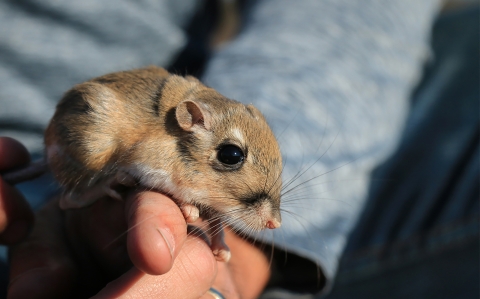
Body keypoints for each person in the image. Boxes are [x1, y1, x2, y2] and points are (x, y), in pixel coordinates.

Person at [0, 0, 478, 298]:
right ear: (190, 123)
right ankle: (68, 198)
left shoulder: (213, 134)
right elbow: (155, 169)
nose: (273, 220)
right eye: (229, 157)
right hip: (57, 166)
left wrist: (247, 260)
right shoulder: (170, 145)